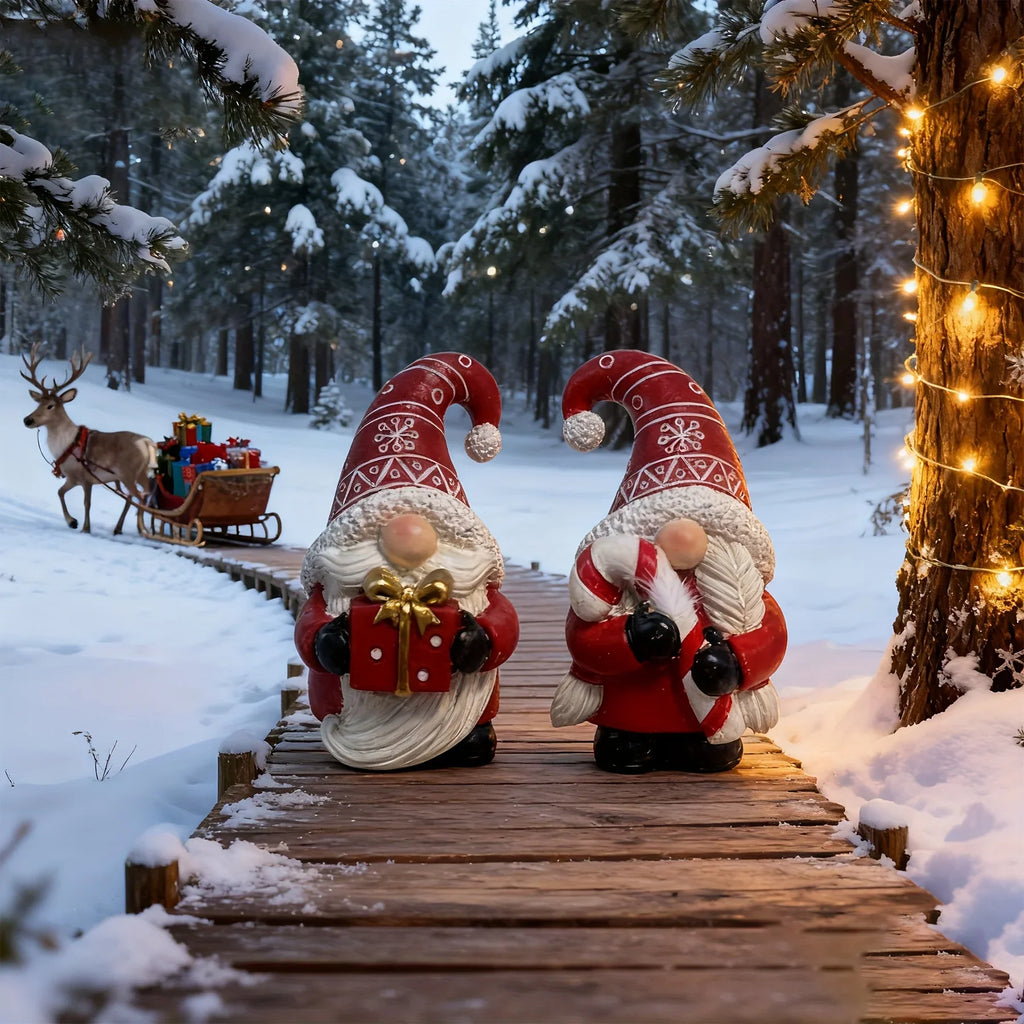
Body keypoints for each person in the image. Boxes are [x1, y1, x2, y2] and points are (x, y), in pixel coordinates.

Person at [552, 350, 787, 774]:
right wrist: (630, 638)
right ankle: (627, 736)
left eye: (703, 524)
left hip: (704, 720)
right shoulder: (621, 583)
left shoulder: (741, 590)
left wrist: (737, 662)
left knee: (709, 756)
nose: (683, 536)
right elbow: (584, 635)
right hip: (630, 712)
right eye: (663, 522)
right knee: (625, 749)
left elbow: (770, 633)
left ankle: (698, 741)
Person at [294, 353, 519, 771]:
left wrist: (484, 640)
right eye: (378, 532)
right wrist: (326, 642)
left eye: (433, 527)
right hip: (358, 721)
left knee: (469, 741)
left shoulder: (474, 585)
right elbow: (312, 622)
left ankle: (465, 731)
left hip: (460, 712)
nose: (410, 541)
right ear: (349, 539)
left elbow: (501, 618)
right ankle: (371, 736)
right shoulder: (336, 588)